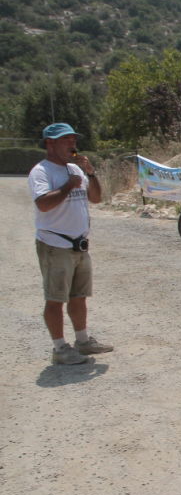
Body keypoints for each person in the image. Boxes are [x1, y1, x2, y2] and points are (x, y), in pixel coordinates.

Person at [29, 123, 113, 365]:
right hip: (55, 244)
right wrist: (68, 185)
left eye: (73, 139)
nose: (72, 144)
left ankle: (83, 341)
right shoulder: (42, 172)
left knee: (79, 296)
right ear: (50, 143)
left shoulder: (76, 168)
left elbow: (96, 198)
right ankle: (59, 348)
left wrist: (91, 173)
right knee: (55, 298)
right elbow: (43, 204)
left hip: (79, 244)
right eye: (66, 140)